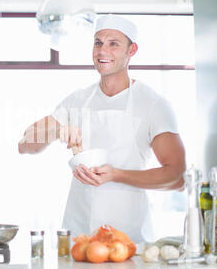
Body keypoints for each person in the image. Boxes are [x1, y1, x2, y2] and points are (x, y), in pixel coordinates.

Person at [18, 15, 186, 243]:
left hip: (129, 241)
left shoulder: (153, 104)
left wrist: (117, 174)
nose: (102, 51)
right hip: (79, 238)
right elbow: (25, 144)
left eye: (113, 43)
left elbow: (176, 177)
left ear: (132, 50)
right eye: (98, 43)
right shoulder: (77, 100)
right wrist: (56, 131)